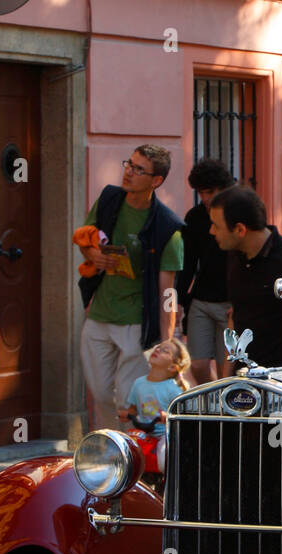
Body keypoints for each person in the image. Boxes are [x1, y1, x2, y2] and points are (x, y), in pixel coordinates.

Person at [77, 145, 184, 431]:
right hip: (99, 314)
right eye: (129, 164)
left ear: (156, 181)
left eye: (139, 170)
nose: (129, 172)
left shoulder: (168, 228)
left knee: (127, 398)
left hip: (136, 324)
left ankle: (133, 457)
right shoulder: (109, 199)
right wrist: (93, 256)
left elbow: (167, 292)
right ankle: (109, 451)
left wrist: (167, 339)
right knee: (100, 394)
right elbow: (86, 240)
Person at [208, 186, 282, 369]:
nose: (211, 231)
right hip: (244, 382)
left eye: (216, 225)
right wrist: (226, 380)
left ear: (239, 229)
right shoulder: (235, 256)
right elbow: (235, 317)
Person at [176, 158, 236, 384]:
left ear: (224, 188)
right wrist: (180, 299)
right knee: (198, 365)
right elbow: (187, 262)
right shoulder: (195, 217)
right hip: (200, 300)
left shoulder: (239, 215)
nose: (205, 198)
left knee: (225, 369)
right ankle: (212, 405)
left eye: (210, 191)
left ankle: (222, 411)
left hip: (229, 304)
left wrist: (239, 301)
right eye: (201, 192)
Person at [120, 337, 190, 473]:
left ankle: (166, 483)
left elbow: (183, 414)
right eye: (159, 347)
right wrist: (127, 414)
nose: (158, 349)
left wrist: (169, 416)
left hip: (165, 434)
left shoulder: (172, 389)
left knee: (164, 459)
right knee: (123, 451)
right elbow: (133, 409)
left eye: (165, 351)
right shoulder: (139, 383)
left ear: (172, 367)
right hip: (144, 432)